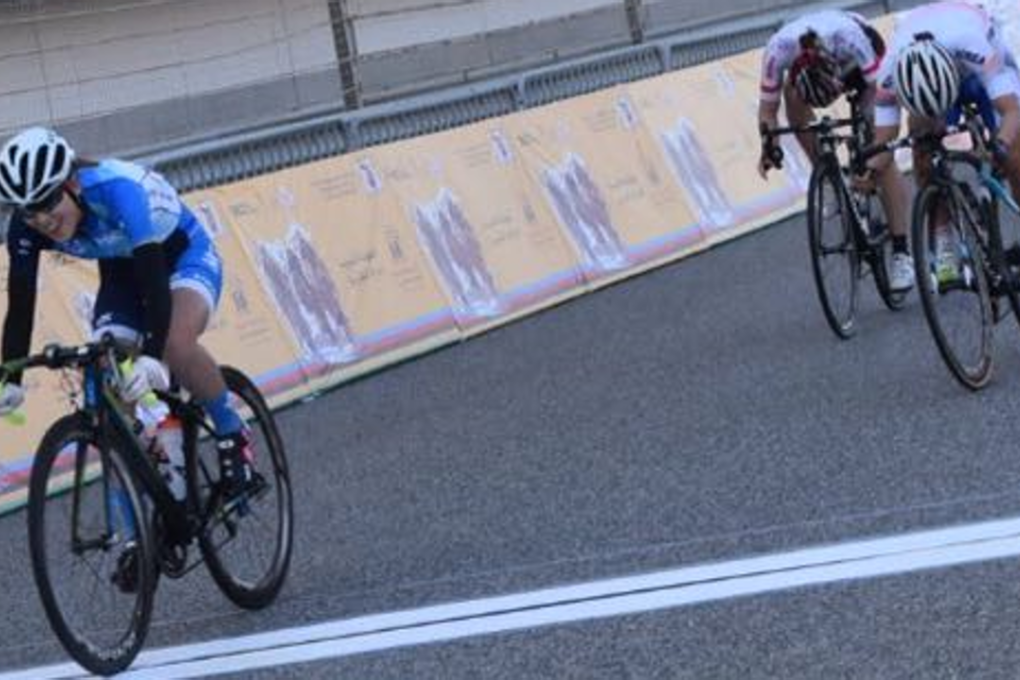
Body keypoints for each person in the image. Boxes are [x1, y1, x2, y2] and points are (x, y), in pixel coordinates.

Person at [0, 127, 255, 501]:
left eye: (48, 201)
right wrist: (11, 374)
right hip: (121, 272)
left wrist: (151, 355)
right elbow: (20, 301)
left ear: (71, 182)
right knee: (110, 370)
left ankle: (233, 432)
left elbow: (154, 278)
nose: (42, 219)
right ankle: (159, 478)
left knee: (174, 343)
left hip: (179, 256)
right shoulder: (26, 226)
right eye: (28, 209)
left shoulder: (117, 189)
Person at [757, 9, 914, 292]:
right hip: (810, 69)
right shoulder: (776, 52)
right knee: (791, 100)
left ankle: (902, 253)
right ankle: (827, 173)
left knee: (879, 149)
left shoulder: (850, 38)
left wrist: (878, 150)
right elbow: (768, 110)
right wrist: (769, 145)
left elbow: (883, 95)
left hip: (861, 66)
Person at [869, 1, 1020, 281]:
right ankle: (943, 239)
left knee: (1013, 153)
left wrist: (999, 145)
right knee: (921, 143)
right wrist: (870, 169)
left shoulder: (975, 46)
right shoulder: (889, 74)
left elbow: (1011, 111)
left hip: (975, 71)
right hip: (926, 81)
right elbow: (884, 140)